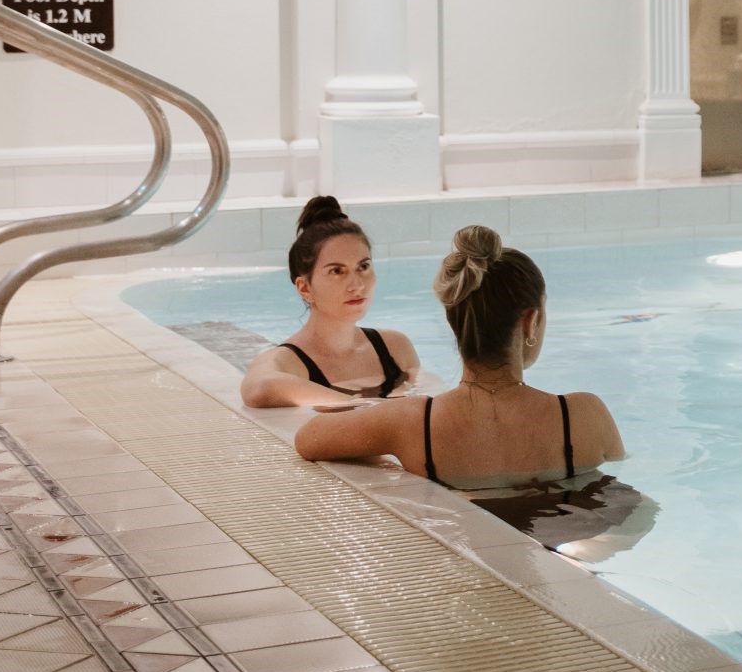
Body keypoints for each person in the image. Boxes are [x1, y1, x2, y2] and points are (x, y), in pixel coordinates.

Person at [295, 225, 623, 487]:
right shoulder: (582, 416)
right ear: (530, 321)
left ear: (455, 321)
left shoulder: (413, 422)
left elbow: (308, 439)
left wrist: (379, 412)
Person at [240, 196, 421, 410]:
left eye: (363, 266)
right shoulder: (288, 361)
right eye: (337, 271)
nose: (357, 285)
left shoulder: (395, 347)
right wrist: (362, 407)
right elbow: (257, 390)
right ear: (305, 288)